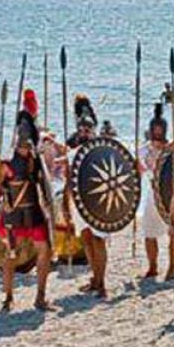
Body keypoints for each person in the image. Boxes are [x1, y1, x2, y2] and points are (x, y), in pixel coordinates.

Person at [0, 90, 54, 311]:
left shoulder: (34, 161)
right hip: (14, 214)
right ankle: (8, 297)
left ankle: (39, 296)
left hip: (33, 212)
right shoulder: (8, 162)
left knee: (44, 250)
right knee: (11, 255)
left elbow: (44, 187)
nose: (25, 146)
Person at [66, 94, 109, 298]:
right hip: (78, 198)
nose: (84, 131)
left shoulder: (103, 145)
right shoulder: (72, 144)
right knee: (86, 238)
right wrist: (67, 203)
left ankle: (101, 282)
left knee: (98, 239)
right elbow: (68, 173)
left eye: (88, 128)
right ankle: (94, 277)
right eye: (82, 128)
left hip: (98, 199)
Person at [138, 103, 171, 279]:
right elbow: (140, 169)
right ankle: (153, 266)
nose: (158, 133)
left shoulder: (171, 149)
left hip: (169, 193)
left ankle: (172, 267)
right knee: (150, 233)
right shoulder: (144, 149)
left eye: (160, 129)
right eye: (155, 129)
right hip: (152, 194)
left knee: (173, 232)